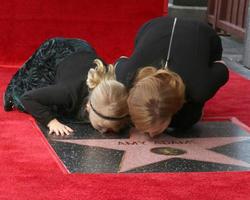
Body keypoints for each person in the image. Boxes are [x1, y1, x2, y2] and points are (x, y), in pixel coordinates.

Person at [115, 16, 229, 137]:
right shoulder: (127, 75)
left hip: (202, 32)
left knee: (187, 120)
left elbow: (221, 66)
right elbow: (122, 60)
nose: (152, 136)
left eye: (157, 131)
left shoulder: (199, 87)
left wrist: (202, 70)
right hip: (152, 27)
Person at [4, 38, 129, 136]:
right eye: (101, 127)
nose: (105, 132)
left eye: (114, 128)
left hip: (84, 53)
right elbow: (28, 98)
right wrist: (51, 122)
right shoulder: (68, 93)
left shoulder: (117, 93)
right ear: (88, 107)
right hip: (58, 52)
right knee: (28, 87)